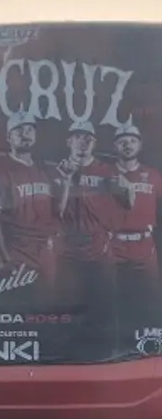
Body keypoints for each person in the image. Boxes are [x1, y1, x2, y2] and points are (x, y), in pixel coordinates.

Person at [56, 120, 120, 357]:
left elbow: (125, 204)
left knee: (102, 305)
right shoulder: (58, 169)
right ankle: (68, 355)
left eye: (88, 137)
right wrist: (65, 180)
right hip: (69, 250)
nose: (82, 141)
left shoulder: (107, 171)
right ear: (68, 141)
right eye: (77, 136)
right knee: (67, 306)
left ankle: (105, 355)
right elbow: (57, 212)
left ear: (94, 142)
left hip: (98, 248)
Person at [0, 110, 65, 308]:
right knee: (17, 313)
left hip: (44, 252)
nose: (25, 134)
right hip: (16, 251)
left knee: (46, 311)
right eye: (19, 130)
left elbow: (59, 212)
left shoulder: (45, 169)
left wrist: (66, 182)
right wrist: (4, 258)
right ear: (8, 137)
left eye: (30, 129)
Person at [107, 122, 162, 342]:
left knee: (148, 300)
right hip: (113, 246)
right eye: (122, 141)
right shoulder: (105, 173)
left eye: (131, 140)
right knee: (113, 302)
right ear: (115, 146)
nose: (127, 145)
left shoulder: (154, 175)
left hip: (144, 246)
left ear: (139, 144)